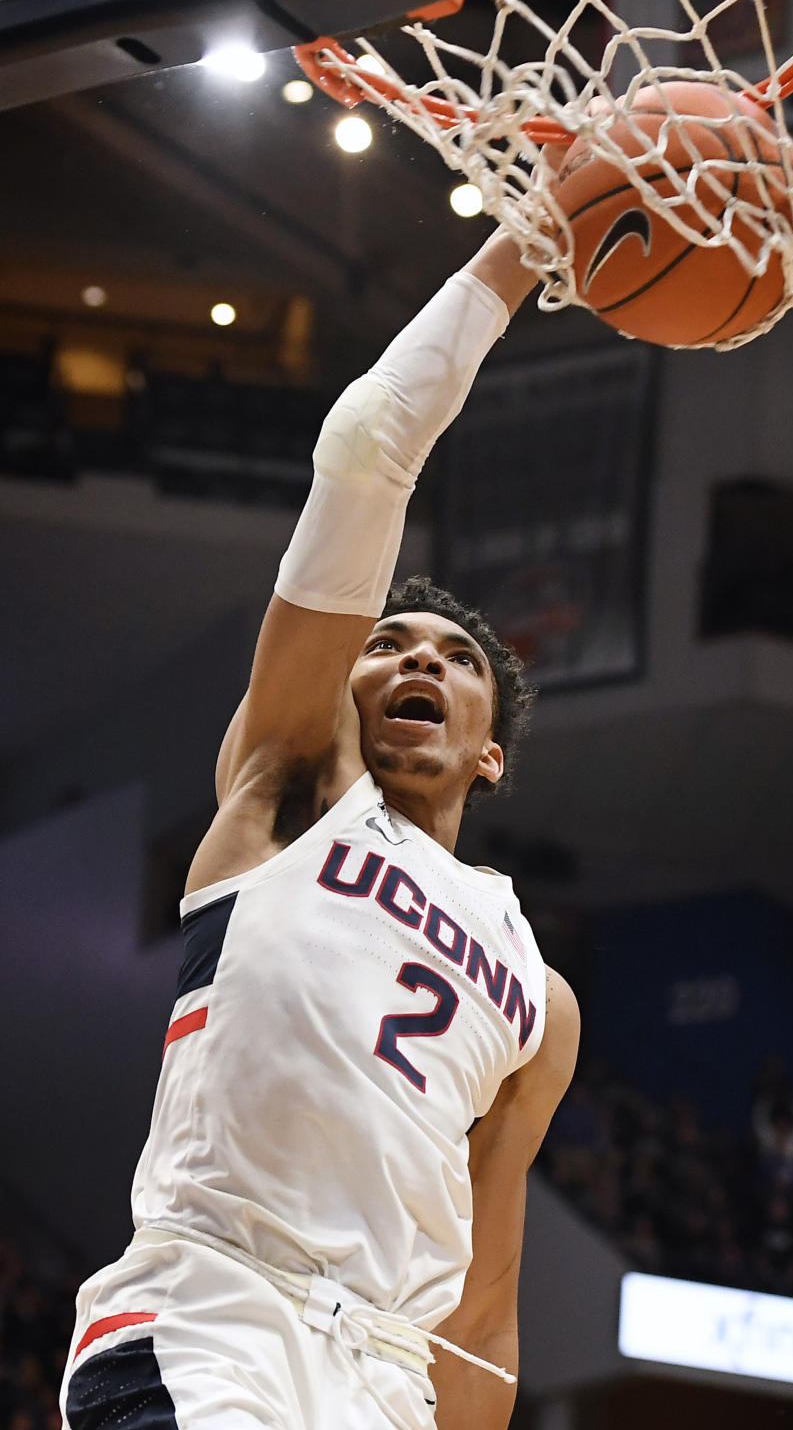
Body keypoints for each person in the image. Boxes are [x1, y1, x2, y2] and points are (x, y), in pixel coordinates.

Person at [59, 223, 581, 1430]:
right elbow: (364, 450)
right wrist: (522, 249)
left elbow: (487, 1303)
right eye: (387, 643)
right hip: (213, 1318)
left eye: (455, 659)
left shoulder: (538, 1001)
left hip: (384, 1380)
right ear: (341, 695)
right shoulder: (291, 792)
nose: (415, 658)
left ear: (489, 747)